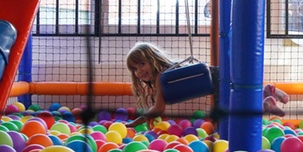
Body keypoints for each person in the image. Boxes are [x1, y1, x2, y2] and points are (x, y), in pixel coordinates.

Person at [124, 42, 289, 128]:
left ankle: (265, 104)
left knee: (235, 109)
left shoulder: (161, 77)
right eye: (135, 69)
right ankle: (267, 91)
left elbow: (158, 109)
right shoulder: (166, 72)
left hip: (215, 80)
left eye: (141, 64)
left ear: (152, 59)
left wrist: (135, 122)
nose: (139, 71)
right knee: (239, 93)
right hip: (216, 74)